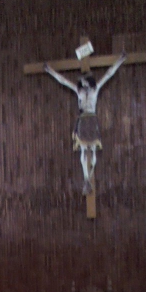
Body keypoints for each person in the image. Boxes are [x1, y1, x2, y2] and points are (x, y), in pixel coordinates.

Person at [44, 52, 126, 194]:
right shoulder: (78, 91)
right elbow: (63, 80)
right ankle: (86, 178)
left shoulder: (95, 89)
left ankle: (90, 176)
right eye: (82, 82)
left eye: (85, 81)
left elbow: (108, 74)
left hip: (91, 118)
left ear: (90, 81)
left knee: (92, 148)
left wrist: (119, 61)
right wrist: (51, 71)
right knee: (83, 149)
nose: (83, 83)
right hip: (83, 120)